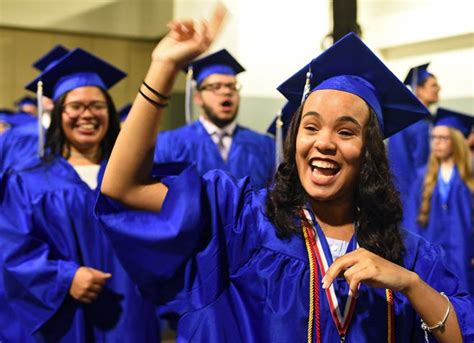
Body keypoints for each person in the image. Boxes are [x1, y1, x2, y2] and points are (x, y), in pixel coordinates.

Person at [97, 7, 472, 342]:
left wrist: (409, 283)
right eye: (310, 127)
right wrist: (163, 67)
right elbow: (124, 187)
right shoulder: (239, 222)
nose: (323, 142)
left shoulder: (408, 255)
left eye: (345, 131)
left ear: (370, 152)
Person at [0, 47, 160, 341]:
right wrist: (64, 277)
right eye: (75, 106)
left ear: (110, 115)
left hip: (129, 311)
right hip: (62, 314)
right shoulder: (26, 180)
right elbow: (11, 247)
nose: (87, 114)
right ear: (59, 113)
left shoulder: (135, 178)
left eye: (97, 106)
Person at [153, 48, 275, 189]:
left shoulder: (265, 146)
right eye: (215, 87)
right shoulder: (168, 144)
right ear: (198, 98)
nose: (226, 91)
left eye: (232, 86)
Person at [403, 107, 474, 294]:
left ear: (456, 140)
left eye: (443, 138)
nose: (436, 143)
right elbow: (411, 219)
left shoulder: (469, 176)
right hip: (432, 253)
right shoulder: (423, 176)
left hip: (464, 253)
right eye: (433, 138)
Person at [387, 63, 440, 204]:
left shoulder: (427, 120)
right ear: (419, 89)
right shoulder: (410, 121)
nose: (438, 88)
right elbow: (401, 165)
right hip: (414, 195)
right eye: (433, 85)